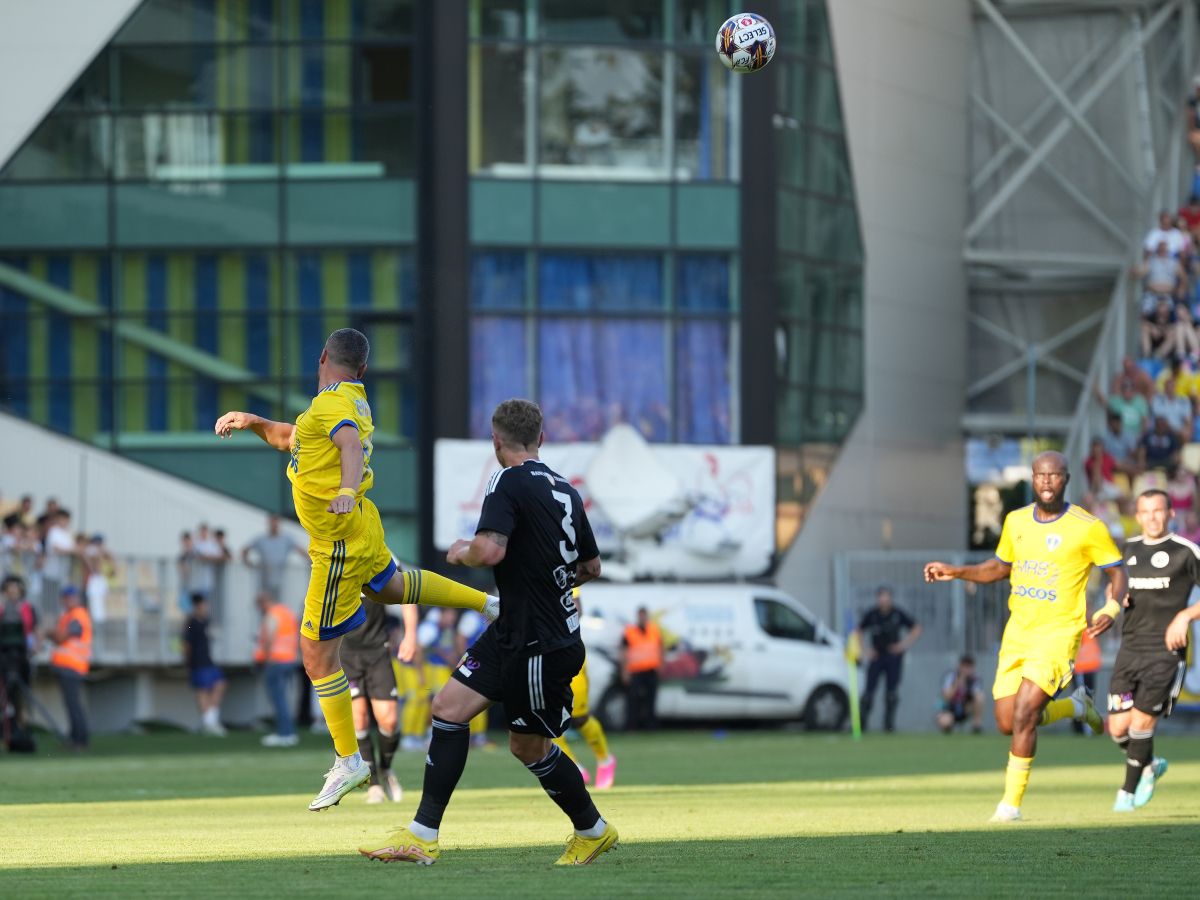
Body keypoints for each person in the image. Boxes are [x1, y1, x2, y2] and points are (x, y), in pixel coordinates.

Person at [214, 327, 499, 812]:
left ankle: (349, 759)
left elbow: (347, 444)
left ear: (323, 355)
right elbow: (293, 438)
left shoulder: (332, 407)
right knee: (390, 587)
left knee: (314, 655)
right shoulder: (347, 400)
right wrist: (254, 420)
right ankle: (487, 603)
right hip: (363, 524)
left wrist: (345, 489)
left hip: (337, 545)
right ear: (362, 369)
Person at [359, 398, 616, 866]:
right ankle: (422, 835)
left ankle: (593, 830)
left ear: (496, 441)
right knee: (448, 708)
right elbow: (591, 567)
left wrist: (461, 551)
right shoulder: (566, 490)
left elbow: (489, 551)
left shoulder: (506, 479)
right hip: (515, 629)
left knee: (528, 747)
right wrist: (549, 581)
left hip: (538, 640)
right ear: (541, 438)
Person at [924, 451, 1128, 823]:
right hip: (1018, 634)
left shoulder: (1087, 527)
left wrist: (1110, 609)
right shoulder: (1016, 521)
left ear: (1066, 479)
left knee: (1024, 714)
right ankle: (1076, 707)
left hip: (1058, 635)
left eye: (1054, 475)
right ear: (1032, 479)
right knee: (1007, 722)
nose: (1047, 481)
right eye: (1040, 475)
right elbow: (999, 568)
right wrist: (956, 572)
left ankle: (1010, 805)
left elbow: (1118, 572)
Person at [1108, 489, 1200, 811]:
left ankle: (1126, 794)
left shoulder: (1185, 551)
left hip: (1165, 652)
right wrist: (1117, 596)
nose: (1151, 517)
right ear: (1137, 515)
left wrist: (1185, 616)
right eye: (1145, 512)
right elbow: (1113, 587)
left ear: (1170, 513)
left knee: (1141, 723)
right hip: (1130, 650)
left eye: (1158, 510)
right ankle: (1149, 763)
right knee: (1117, 728)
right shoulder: (1128, 549)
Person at [340, 585, 416, 802]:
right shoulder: (333, 566)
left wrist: (411, 636)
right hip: (345, 652)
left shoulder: (382, 565)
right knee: (359, 719)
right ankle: (373, 783)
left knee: (389, 720)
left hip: (378, 651)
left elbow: (408, 594)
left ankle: (386, 768)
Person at [552, 588, 617, 788]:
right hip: (544, 654)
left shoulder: (564, 577)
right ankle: (575, 768)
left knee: (580, 718)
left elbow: (577, 609)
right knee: (548, 723)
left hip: (569, 652)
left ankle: (605, 760)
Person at [853, 586, 922, 732]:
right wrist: (865, 650)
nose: (884, 600)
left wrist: (902, 645)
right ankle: (861, 724)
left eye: (886, 597)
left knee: (891, 694)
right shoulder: (872, 614)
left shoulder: (897, 614)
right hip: (876, 657)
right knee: (868, 693)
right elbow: (858, 631)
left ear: (890, 598)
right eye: (881, 597)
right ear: (878, 599)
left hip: (893, 657)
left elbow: (916, 628)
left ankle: (888, 726)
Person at [47, 585, 92, 751]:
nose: (68, 601)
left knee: (74, 705)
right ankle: (75, 738)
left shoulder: (78, 615)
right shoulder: (68, 615)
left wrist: (47, 632)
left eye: (71, 597)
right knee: (71, 704)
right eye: (66, 597)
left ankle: (79, 740)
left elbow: (61, 637)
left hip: (73, 666)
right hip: (68, 666)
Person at [254, 591, 300, 747]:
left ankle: (284, 733)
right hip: (289, 659)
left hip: (275, 661)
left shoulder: (272, 615)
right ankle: (288, 732)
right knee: (284, 699)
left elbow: (268, 638)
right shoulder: (287, 613)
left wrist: (265, 658)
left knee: (278, 699)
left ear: (264, 602)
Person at [0, 574, 38, 751]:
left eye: (16, 588)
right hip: (3, 658)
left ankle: (21, 733)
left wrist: (34, 645)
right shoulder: (2, 607)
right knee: (4, 698)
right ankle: (7, 733)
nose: (13, 591)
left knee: (20, 699)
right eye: (10, 588)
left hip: (21, 658)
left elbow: (34, 631)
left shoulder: (27, 608)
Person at [182, 595, 227, 736]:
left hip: (209, 660)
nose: (205, 608)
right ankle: (208, 723)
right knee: (203, 690)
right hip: (198, 661)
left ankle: (211, 719)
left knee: (220, 684)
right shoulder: (191, 622)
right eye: (203, 605)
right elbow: (186, 641)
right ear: (197, 606)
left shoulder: (207, 621)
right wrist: (188, 661)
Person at [242, 514, 307, 598]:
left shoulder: (286, 539)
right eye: (272, 522)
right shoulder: (261, 539)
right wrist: (248, 563)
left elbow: (300, 550)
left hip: (281, 581)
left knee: (278, 603)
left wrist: (311, 560)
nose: (274, 525)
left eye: (276, 522)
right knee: (264, 601)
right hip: (263, 580)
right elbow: (245, 550)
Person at [621, 606, 664, 731]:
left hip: (651, 670)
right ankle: (632, 726)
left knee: (651, 700)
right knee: (633, 700)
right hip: (635, 670)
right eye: (640, 616)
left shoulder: (654, 630)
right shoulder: (630, 631)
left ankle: (650, 726)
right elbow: (623, 652)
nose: (642, 618)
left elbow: (660, 648)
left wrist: (661, 666)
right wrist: (624, 671)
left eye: (644, 615)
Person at [936, 654, 983, 734]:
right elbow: (946, 697)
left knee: (980, 697)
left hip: (965, 708)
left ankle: (976, 725)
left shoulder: (975, 679)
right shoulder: (950, 677)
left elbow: (976, 696)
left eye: (969, 667)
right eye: (965, 666)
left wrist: (966, 686)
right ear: (960, 666)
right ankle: (948, 725)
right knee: (945, 722)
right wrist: (958, 682)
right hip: (950, 708)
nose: (966, 670)